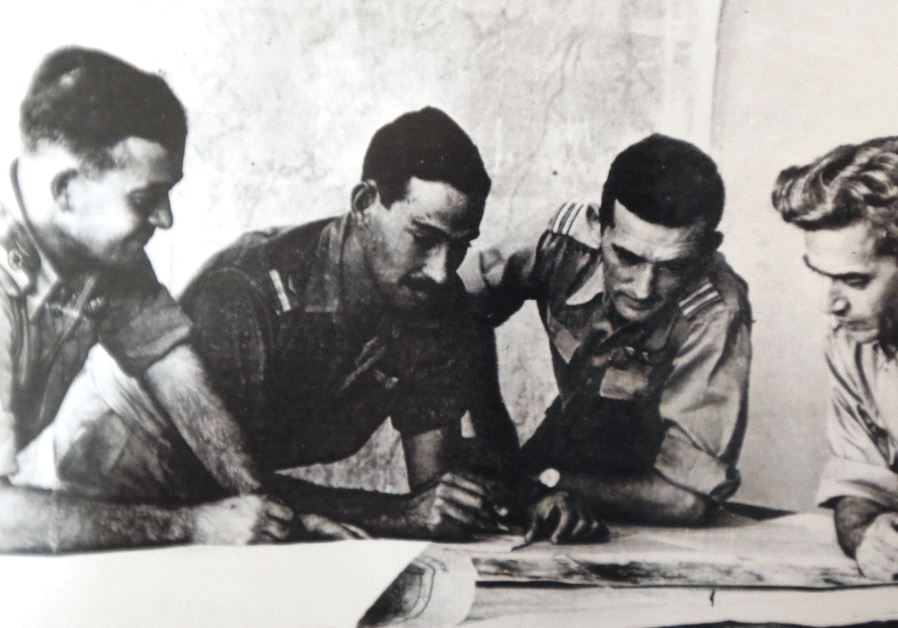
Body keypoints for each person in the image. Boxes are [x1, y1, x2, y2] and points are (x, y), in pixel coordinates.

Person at [48, 106, 601, 543]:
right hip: (113, 483)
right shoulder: (245, 291)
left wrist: (529, 496)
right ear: (364, 202)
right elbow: (218, 491)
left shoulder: (436, 301)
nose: (441, 270)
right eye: (425, 237)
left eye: (459, 247)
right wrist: (397, 515)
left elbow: (434, 487)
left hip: (226, 503)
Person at [0, 46, 346, 552]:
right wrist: (194, 527)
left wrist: (269, 511)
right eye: (144, 200)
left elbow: (179, 375)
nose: (165, 219)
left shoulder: (104, 254)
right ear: (67, 190)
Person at [462, 134, 752, 526]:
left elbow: (687, 500)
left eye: (672, 266)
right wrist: (492, 432)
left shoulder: (717, 310)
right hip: (565, 434)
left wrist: (541, 482)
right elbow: (450, 310)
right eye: (627, 257)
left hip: (648, 475)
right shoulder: (558, 243)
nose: (643, 288)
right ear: (599, 227)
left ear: (706, 250)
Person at [773, 136, 898, 580]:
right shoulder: (853, 347)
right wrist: (869, 535)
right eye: (826, 279)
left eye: (854, 280)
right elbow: (860, 486)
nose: (832, 305)